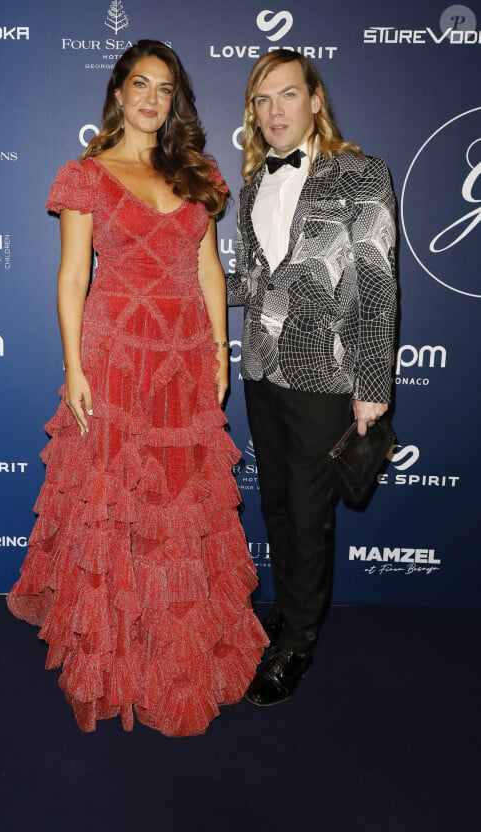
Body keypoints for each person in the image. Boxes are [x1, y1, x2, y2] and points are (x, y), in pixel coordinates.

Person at [7, 40, 267, 737]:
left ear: (173, 99)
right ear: (119, 91)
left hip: (184, 357)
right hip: (116, 356)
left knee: (180, 501)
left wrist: (219, 348)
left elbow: (210, 268)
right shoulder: (87, 174)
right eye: (141, 85)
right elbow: (71, 279)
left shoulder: (196, 171)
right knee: (118, 503)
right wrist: (74, 366)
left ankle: (176, 647)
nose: (153, 99)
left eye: (165, 89)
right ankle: (118, 653)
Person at [227, 51, 396, 706]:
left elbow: (378, 287)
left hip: (326, 376)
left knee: (307, 512)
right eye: (262, 101)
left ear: (316, 100)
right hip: (262, 373)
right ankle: (288, 609)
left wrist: (372, 385)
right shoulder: (251, 189)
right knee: (274, 504)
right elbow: (254, 282)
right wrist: (191, 286)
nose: (275, 111)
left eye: (288, 95)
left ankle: (297, 640)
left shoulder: (361, 175)